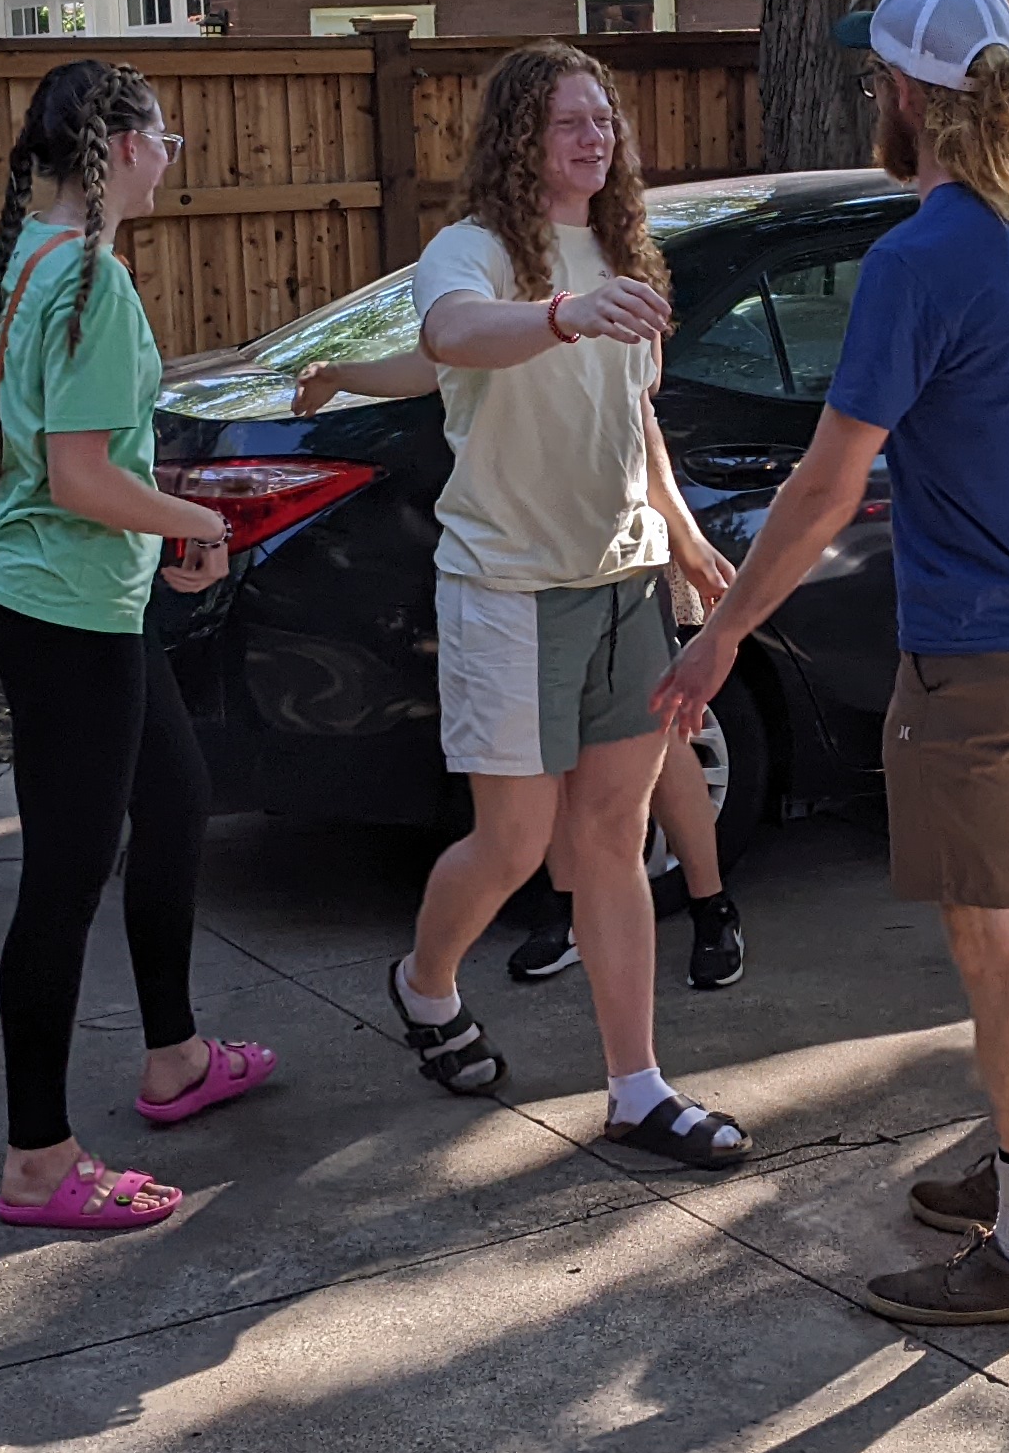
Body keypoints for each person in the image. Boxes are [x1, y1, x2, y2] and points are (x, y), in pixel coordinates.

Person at [657, 0, 1009, 1325]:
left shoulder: (917, 260)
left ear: (906, 98)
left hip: (980, 646)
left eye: (875, 78)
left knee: (998, 939)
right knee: (1006, 917)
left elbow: (825, 487)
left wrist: (718, 641)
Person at [0, 59, 272, 1233]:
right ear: (122, 147)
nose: (172, 158)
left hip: (51, 597)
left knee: (175, 797)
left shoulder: (5, 259)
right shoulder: (96, 285)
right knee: (63, 884)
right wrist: (195, 521)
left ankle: (174, 1058)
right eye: (166, 139)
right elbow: (80, 480)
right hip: (67, 610)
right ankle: (37, 1161)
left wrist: (74, 474)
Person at [383, 43, 749, 1168]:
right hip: (508, 588)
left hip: (624, 585)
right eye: (568, 124)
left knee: (612, 839)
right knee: (513, 843)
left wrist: (680, 534)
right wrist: (564, 313)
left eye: (604, 120)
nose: (596, 139)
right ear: (519, 140)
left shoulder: (627, 250)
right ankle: (425, 983)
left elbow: (633, 417)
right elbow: (451, 334)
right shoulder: (473, 251)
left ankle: (637, 1091)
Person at [296, 348, 745, 986]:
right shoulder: (487, 305)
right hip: (523, 578)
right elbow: (437, 356)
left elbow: (639, 422)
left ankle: (711, 906)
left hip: (623, 569)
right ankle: (566, 916)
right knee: (548, 758)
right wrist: (342, 374)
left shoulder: (623, 302)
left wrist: (686, 536)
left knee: (661, 742)